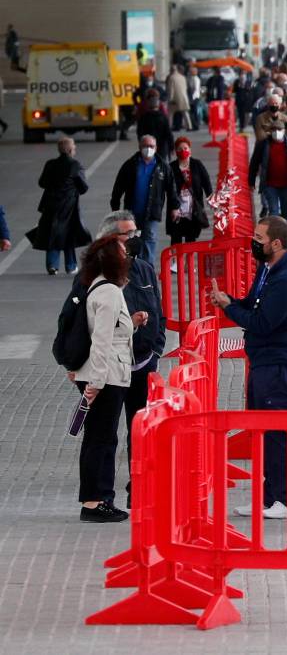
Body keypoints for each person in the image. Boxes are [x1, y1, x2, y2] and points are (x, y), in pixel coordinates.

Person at [210, 216, 287, 520]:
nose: (254, 242)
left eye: (259, 238)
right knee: (265, 432)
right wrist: (230, 301)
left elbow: (263, 323)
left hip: (281, 364)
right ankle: (271, 498)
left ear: (276, 244)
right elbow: (253, 305)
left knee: (279, 433)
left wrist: (229, 308)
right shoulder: (268, 269)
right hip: (264, 362)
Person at [68, 236, 140, 522]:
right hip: (107, 377)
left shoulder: (96, 285)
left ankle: (93, 499)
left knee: (97, 438)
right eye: (123, 252)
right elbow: (102, 341)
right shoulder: (109, 291)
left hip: (101, 375)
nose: (128, 256)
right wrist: (95, 384)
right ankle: (96, 502)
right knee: (103, 440)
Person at [95, 212, 165, 506]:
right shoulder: (95, 277)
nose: (135, 239)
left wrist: (156, 349)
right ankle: (100, 497)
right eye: (128, 234)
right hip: (111, 368)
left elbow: (159, 312)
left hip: (142, 363)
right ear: (110, 240)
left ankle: (140, 487)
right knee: (104, 434)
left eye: (136, 232)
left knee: (141, 430)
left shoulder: (144, 270)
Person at [28, 137, 92, 275]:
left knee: (52, 233)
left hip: (50, 204)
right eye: (74, 147)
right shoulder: (75, 165)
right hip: (68, 205)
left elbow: (42, 183)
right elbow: (83, 187)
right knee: (69, 234)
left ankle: (52, 265)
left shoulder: (50, 164)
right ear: (70, 150)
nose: (75, 149)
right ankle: (70, 266)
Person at [108, 136, 173, 268]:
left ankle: (147, 268)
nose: (148, 149)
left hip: (152, 212)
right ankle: (133, 266)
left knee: (149, 239)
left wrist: (175, 207)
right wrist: (115, 207)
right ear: (139, 147)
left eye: (151, 146)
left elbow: (171, 188)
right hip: (131, 212)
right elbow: (118, 187)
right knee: (131, 240)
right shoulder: (130, 165)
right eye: (145, 146)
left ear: (156, 148)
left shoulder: (162, 167)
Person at [165, 137, 213, 245]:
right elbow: (167, 188)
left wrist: (211, 198)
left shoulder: (197, 165)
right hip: (176, 210)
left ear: (190, 150)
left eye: (185, 148)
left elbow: (206, 182)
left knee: (190, 239)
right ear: (175, 152)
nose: (183, 151)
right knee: (176, 239)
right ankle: (175, 262)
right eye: (180, 149)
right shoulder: (170, 168)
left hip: (193, 209)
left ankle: (188, 262)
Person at [135, 90, 174, 162]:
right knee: (161, 166)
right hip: (162, 147)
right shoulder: (163, 117)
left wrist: (141, 144)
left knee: (148, 164)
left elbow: (139, 132)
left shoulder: (144, 117)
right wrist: (171, 147)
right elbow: (168, 133)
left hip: (147, 146)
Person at [166, 66, 191, 132]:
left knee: (170, 114)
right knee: (185, 113)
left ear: (171, 70)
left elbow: (171, 89)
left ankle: (169, 127)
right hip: (183, 97)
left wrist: (170, 99)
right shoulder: (183, 77)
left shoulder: (171, 78)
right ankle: (189, 126)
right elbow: (185, 88)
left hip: (175, 98)